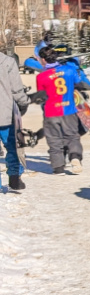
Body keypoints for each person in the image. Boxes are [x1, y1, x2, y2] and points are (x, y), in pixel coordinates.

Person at [34, 44, 90, 175]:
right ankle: (75, 157)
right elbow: (80, 83)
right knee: (72, 136)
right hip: (69, 110)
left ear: (43, 60)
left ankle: (58, 167)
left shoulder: (41, 77)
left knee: (54, 140)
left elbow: (41, 96)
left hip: (51, 112)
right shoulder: (69, 70)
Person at [0, 51, 30, 191]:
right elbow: (16, 90)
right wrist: (24, 103)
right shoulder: (7, 61)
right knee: (12, 146)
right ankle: (14, 177)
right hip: (5, 113)